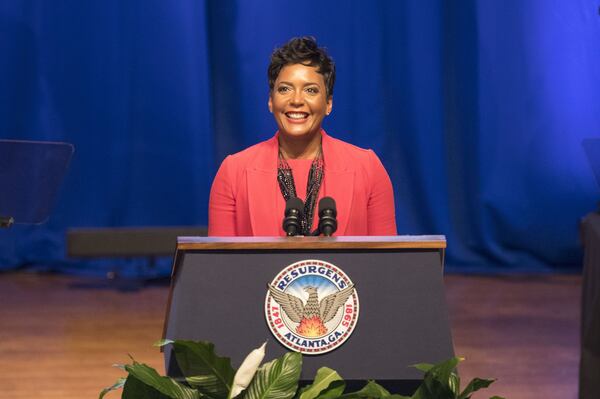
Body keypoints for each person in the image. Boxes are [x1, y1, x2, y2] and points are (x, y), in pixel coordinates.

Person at [208, 37, 396, 236]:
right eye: (285, 89)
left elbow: (386, 263)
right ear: (271, 101)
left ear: (328, 104)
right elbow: (219, 264)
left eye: (310, 90)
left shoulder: (368, 168)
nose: (296, 100)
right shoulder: (233, 172)